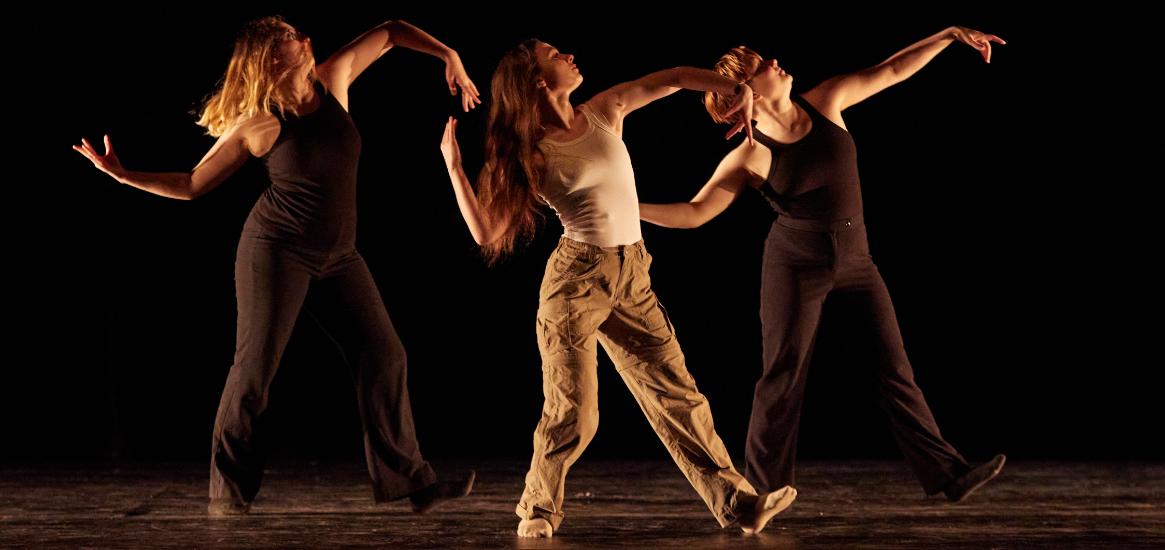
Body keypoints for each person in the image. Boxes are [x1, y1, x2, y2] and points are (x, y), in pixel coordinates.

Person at [73, 15, 480, 516]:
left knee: (384, 353)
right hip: (276, 250)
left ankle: (412, 482)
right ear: (269, 58)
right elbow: (192, 183)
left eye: (297, 31)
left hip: (340, 255)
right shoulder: (259, 124)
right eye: (289, 36)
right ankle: (228, 494)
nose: (304, 36)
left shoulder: (334, 79)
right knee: (255, 370)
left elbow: (393, 30)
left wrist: (449, 55)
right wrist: (121, 175)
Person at [439, 39, 796, 538]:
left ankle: (739, 505)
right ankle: (538, 510)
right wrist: (456, 169)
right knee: (575, 413)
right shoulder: (532, 151)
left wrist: (735, 89)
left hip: (633, 276)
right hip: (575, 285)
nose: (568, 54)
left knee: (681, 398)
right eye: (554, 54)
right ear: (539, 81)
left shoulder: (605, 110)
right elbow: (487, 233)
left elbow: (671, 77)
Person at [639, 27, 1008, 503]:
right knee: (783, 374)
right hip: (795, 264)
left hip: (858, 261)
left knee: (893, 367)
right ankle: (761, 495)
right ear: (742, 93)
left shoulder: (826, 100)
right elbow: (694, 212)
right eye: (760, 66)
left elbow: (891, 70)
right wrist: (629, 208)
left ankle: (948, 473)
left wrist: (948, 35)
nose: (774, 62)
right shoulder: (751, 155)